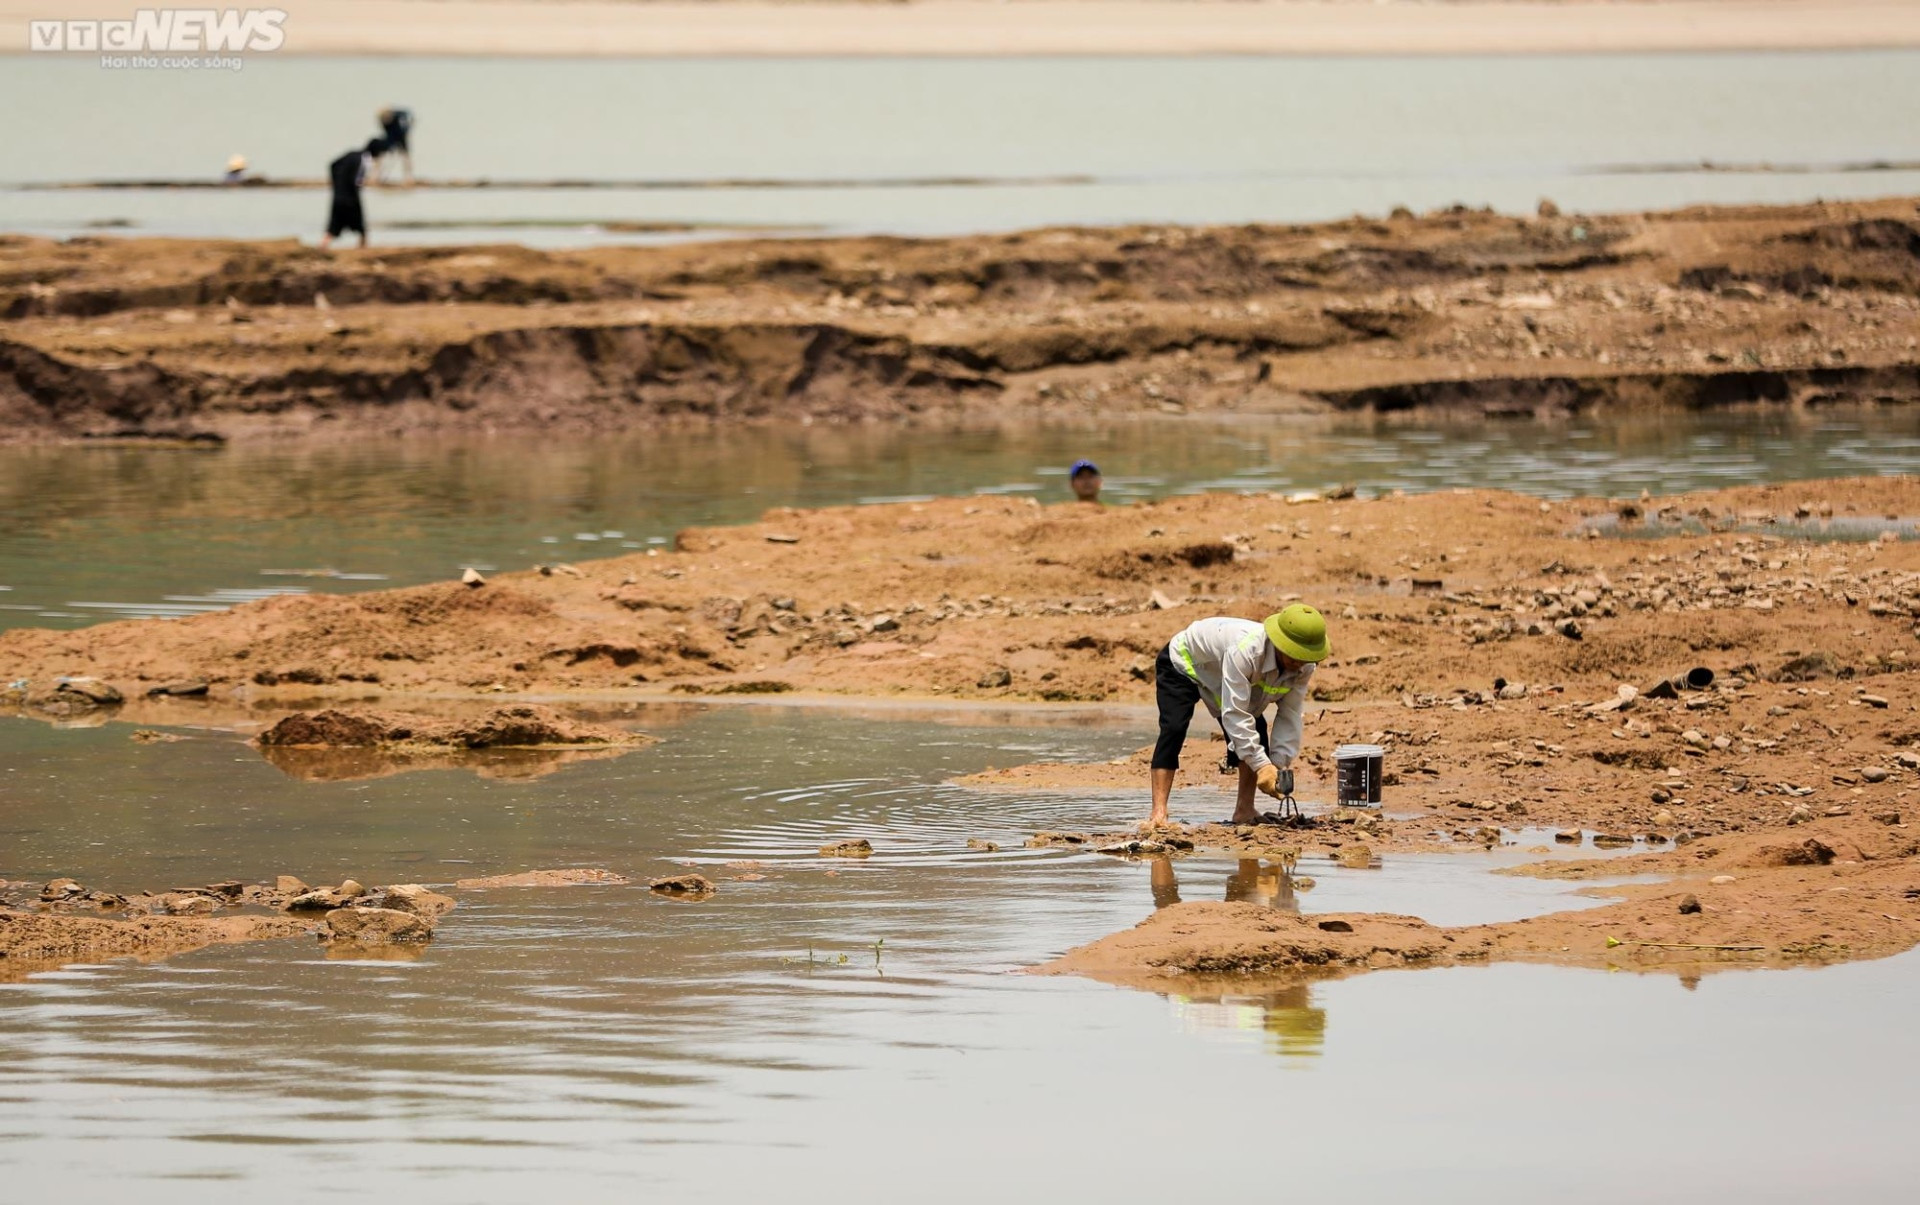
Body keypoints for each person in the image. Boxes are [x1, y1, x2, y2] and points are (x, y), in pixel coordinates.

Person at [1145, 605, 1329, 828]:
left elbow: (1289, 714)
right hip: (1184, 662)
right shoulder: (1247, 651)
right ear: (1279, 644)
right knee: (1173, 728)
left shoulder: (1304, 667)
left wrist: (1277, 766)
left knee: (1257, 729)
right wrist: (1261, 766)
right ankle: (1158, 814)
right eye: (1293, 656)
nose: (1298, 663)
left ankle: (1244, 810)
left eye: (1304, 657)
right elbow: (1235, 714)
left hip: (1220, 674)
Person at [320, 138, 383, 250]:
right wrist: (355, 186)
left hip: (339, 197)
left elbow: (333, 165)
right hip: (351, 198)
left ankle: (322, 248)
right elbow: (357, 181)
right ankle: (363, 249)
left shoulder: (352, 155)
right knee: (361, 226)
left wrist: (338, 184)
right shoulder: (364, 160)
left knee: (333, 227)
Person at [377, 107, 414, 186]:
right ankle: (376, 176)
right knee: (380, 155)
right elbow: (386, 131)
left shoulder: (398, 113)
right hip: (390, 138)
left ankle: (408, 178)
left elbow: (410, 116)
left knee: (406, 157)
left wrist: (407, 129)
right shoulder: (381, 119)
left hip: (401, 137)